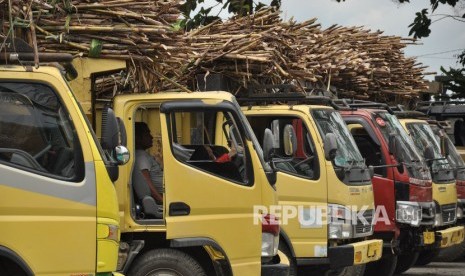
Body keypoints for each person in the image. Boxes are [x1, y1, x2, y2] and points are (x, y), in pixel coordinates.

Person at [134, 122, 163, 204]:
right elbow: (146, 184)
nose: (151, 137)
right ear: (137, 137)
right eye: (147, 133)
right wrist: (162, 201)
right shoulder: (141, 157)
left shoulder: (143, 155)